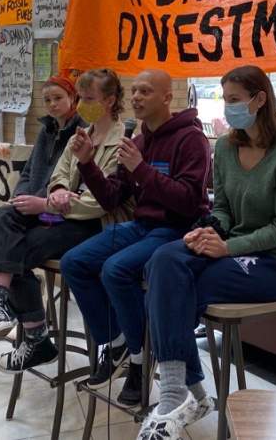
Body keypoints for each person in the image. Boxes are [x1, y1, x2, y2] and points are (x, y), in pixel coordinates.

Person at [136, 65, 276, 438]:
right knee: (163, 259)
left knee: (175, 289)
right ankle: (183, 395)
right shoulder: (226, 148)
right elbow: (224, 209)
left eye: (235, 99)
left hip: (271, 263)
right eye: (225, 99)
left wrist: (227, 247)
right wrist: (207, 232)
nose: (229, 108)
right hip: (229, 247)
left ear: (259, 100)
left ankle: (183, 395)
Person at [61, 69, 210, 407]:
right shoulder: (139, 141)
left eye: (146, 91)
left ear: (167, 97)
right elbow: (112, 198)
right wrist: (87, 164)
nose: (137, 98)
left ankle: (140, 360)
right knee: (75, 262)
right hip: (141, 226)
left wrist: (141, 168)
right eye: (134, 91)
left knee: (116, 269)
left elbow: (189, 201)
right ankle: (115, 343)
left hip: (176, 230)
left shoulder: (191, 139)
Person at [0, 70, 134, 374]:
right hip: (60, 213)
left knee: (12, 252)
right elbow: (59, 175)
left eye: (89, 99)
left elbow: (98, 203)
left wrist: (51, 203)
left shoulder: (123, 142)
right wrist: (57, 192)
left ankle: (36, 337)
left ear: (109, 100)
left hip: (94, 225)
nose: (83, 105)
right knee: (4, 216)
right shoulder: (81, 136)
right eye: (82, 98)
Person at [0, 76, 85, 309]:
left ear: (73, 98)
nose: (52, 104)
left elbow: (71, 182)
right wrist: (20, 195)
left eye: (58, 98)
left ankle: (15, 311)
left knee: (11, 249)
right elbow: (27, 172)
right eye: (47, 100)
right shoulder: (46, 130)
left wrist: (39, 201)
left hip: (52, 211)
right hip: (27, 205)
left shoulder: (82, 133)